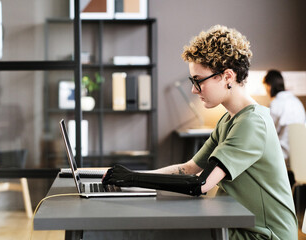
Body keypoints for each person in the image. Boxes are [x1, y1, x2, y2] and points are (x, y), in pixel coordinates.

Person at [103, 25, 298, 239]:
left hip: (263, 235)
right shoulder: (229, 120)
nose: (194, 90)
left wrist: (131, 179)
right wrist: (127, 177)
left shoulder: (252, 123)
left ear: (227, 77)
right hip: (240, 224)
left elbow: (201, 183)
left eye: (198, 80)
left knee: (142, 232)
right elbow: (188, 168)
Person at [263, 69, 306, 187]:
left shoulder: (276, 104)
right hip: (301, 160)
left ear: (269, 86)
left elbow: (267, 133)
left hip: (282, 160)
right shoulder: (297, 102)